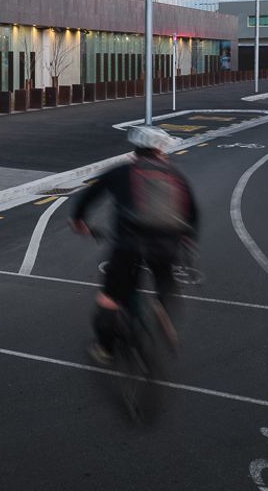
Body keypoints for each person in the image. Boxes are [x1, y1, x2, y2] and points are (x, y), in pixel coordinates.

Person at [70, 125, 199, 365]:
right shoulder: (176, 175)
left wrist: (79, 222)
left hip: (130, 244)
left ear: (136, 149)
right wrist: (188, 241)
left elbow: (87, 199)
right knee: (165, 281)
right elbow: (192, 214)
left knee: (109, 298)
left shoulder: (121, 172)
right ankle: (162, 309)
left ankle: (105, 349)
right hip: (166, 244)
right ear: (161, 149)